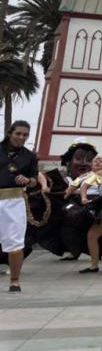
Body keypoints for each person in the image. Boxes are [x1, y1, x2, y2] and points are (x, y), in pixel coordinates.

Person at [0, 121, 37, 293]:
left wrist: (28, 181)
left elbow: (34, 179)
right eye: (18, 133)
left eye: (25, 135)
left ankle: (14, 281)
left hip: (14, 201)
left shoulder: (29, 156)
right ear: (10, 133)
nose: (21, 137)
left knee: (15, 243)